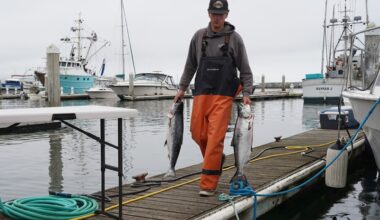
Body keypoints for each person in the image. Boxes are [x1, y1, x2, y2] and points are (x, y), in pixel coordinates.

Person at [174, 0, 253, 197]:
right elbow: (190, 65)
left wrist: (246, 93)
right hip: (201, 93)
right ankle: (216, 161)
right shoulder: (199, 36)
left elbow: (245, 69)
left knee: (215, 138)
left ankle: (208, 183)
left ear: (226, 15)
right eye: (213, 14)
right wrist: (182, 88)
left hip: (223, 96)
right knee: (197, 133)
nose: (217, 18)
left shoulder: (235, 38)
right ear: (208, 14)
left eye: (221, 14)